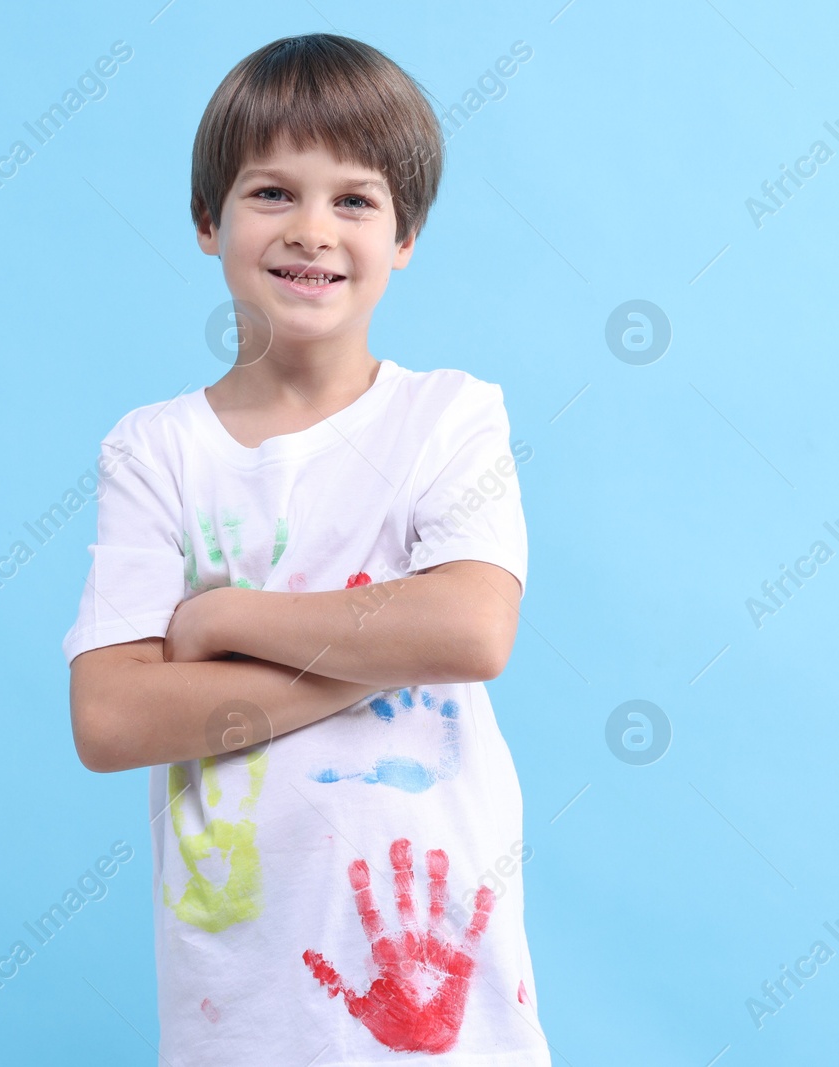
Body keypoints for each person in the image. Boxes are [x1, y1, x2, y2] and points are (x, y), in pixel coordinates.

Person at [62, 33, 553, 1065]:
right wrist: (375, 653)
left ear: (405, 233)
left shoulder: (448, 416)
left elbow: (467, 627)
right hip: (243, 989)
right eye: (272, 192)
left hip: (442, 985)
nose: (311, 230)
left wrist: (224, 618)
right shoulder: (154, 449)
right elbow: (111, 716)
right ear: (210, 220)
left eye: (355, 200)